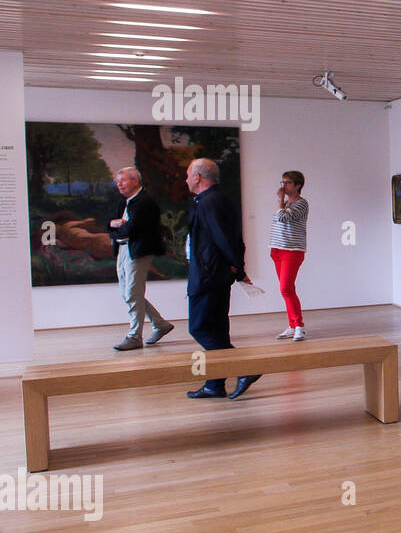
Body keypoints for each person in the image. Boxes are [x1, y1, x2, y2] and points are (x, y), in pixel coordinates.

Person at [184, 158, 261, 400]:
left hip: (208, 275)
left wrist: (238, 269)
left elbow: (224, 239)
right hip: (216, 273)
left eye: (188, 174)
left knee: (200, 327)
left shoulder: (209, 202)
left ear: (198, 177)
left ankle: (244, 369)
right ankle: (214, 385)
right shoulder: (218, 199)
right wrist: (237, 268)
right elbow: (234, 238)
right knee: (217, 330)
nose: (185, 179)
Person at [106, 166, 174, 351]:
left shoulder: (145, 202)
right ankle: (160, 324)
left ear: (135, 181)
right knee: (127, 294)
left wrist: (118, 227)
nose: (119, 184)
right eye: (117, 181)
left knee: (132, 294)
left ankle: (134, 336)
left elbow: (131, 229)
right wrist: (117, 226)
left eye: (123, 180)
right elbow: (109, 224)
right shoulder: (125, 201)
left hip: (138, 251)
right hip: (123, 249)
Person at [270, 170, 309, 341]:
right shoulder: (285, 204)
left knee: (285, 288)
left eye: (288, 182)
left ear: (298, 185)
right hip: (278, 250)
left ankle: (299, 325)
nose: (283, 185)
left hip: (292, 250)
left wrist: (279, 201)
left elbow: (284, 219)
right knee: (287, 290)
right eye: (283, 182)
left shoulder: (301, 204)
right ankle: (292, 325)